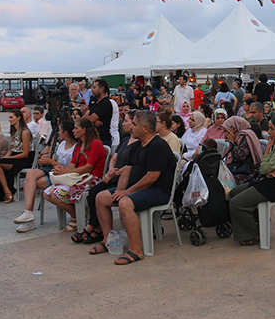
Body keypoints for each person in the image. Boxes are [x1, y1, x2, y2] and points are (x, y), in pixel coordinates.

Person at [89, 111, 177, 265]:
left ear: (145, 129)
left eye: (134, 124)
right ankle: (107, 240)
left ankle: (136, 250)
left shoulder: (158, 146)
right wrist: (119, 191)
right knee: (101, 197)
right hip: (139, 189)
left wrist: (128, 192)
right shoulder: (137, 145)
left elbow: (152, 178)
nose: (130, 128)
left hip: (159, 191)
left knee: (125, 203)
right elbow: (127, 171)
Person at [228, 115, 275, 246]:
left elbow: (263, 168)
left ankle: (255, 232)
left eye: (272, 129)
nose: (269, 132)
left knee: (236, 203)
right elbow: (266, 169)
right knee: (234, 193)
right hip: (268, 180)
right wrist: (269, 168)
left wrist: (268, 148)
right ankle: (257, 222)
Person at [72, 111, 140, 243]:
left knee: (99, 195)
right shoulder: (125, 139)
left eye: (126, 121)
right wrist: (110, 170)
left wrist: (117, 172)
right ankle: (97, 228)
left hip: (126, 179)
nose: (123, 123)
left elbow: (133, 166)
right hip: (114, 176)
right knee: (93, 192)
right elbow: (114, 158)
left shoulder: (138, 143)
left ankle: (92, 227)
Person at [12, 120, 77, 231]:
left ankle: (29, 219)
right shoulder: (61, 144)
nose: (58, 133)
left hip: (65, 176)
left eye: (60, 131)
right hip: (54, 173)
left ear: (66, 132)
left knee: (29, 184)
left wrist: (52, 163)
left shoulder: (76, 147)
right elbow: (54, 161)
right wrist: (46, 160)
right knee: (31, 175)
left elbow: (70, 167)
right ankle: (28, 213)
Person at [43, 118, 107, 231]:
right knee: (47, 193)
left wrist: (66, 171)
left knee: (56, 194)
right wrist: (62, 169)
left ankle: (76, 217)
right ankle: (76, 215)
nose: (73, 131)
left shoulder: (95, 144)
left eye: (76, 128)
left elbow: (88, 167)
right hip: (79, 176)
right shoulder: (79, 144)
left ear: (84, 130)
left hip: (92, 178)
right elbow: (73, 164)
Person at [0, 109, 34, 203]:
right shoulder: (13, 132)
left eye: (11, 117)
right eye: (9, 117)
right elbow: (10, 150)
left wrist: (10, 158)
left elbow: (25, 153)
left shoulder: (25, 132)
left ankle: (7, 191)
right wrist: (6, 157)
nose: (9, 120)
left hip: (23, 158)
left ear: (18, 118)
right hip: (13, 156)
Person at [222, 116, 262, 185]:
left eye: (227, 131)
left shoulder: (246, 136)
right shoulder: (238, 137)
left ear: (235, 129)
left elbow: (240, 156)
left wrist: (232, 142)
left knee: (227, 181)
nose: (226, 134)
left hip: (248, 171)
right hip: (237, 168)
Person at [78, 79, 112, 147]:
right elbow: (88, 114)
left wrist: (90, 120)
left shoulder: (105, 103)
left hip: (102, 139)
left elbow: (89, 119)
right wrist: (92, 120)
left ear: (101, 89)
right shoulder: (94, 101)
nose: (92, 90)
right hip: (92, 138)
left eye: (94, 87)